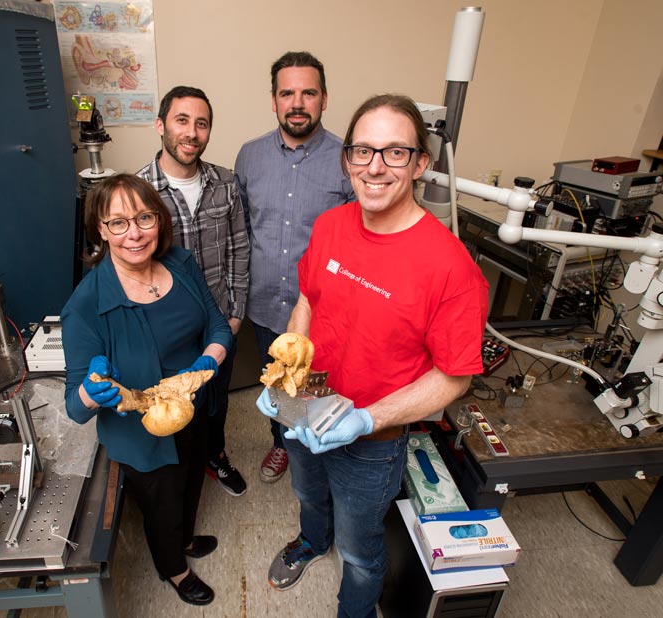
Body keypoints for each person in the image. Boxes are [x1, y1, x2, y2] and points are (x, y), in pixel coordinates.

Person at [256, 94, 489, 618]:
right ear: (347, 159)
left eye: (394, 152)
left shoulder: (450, 267)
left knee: (360, 550)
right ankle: (312, 543)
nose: (374, 167)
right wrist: (287, 381)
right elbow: (309, 300)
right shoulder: (331, 225)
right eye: (362, 151)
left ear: (421, 163)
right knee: (308, 495)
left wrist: (365, 419)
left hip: (370, 436)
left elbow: (455, 377)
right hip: (305, 402)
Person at [61, 174, 232, 606]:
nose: (134, 233)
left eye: (143, 218)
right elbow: (75, 408)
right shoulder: (85, 305)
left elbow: (217, 325)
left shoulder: (180, 263)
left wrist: (205, 363)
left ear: (159, 219)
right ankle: (173, 568)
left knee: (193, 480)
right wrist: (90, 390)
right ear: (101, 229)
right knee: (162, 502)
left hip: (192, 407)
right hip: (142, 435)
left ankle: (184, 539)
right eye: (118, 223)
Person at [234, 51, 354, 483]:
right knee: (281, 387)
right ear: (273, 100)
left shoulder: (350, 159)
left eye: (309, 92)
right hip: (266, 305)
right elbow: (243, 227)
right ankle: (283, 443)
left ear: (325, 98)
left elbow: (360, 241)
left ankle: (324, 452)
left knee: (324, 388)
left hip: (327, 310)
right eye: (288, 93)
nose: (297, 103)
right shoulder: (249, 157)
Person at [137, 86, 250, 497]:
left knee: (215, 403)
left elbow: (240, 249)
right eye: (182, 120)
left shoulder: (226, 184)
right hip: (168, 332)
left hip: (219, 324)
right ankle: (177, 477)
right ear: (161, 125)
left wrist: (235, 315)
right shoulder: (137, 192)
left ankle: (214, 456)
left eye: (201, 123)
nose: (192, 132)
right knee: (174, 408)